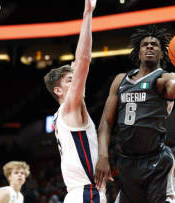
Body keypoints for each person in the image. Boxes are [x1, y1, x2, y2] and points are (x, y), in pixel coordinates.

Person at [95, 25, 175, 203]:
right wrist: (102, 155)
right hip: (126, 162)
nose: (149, 46)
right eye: (144, 44)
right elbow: (106, 123)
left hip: (156, 162)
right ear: (138, 53)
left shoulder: (166, 78)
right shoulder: (120, 81)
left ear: (162, 54)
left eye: (154, 44)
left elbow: (174, 91)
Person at [43, 0, 106, 202]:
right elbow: (84, 59)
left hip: (78, 193)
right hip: (87, 193)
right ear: (58, 90)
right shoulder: (69, 108)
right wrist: (88, 13)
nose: (77, 82)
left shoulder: (62, 115)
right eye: (70, 80)